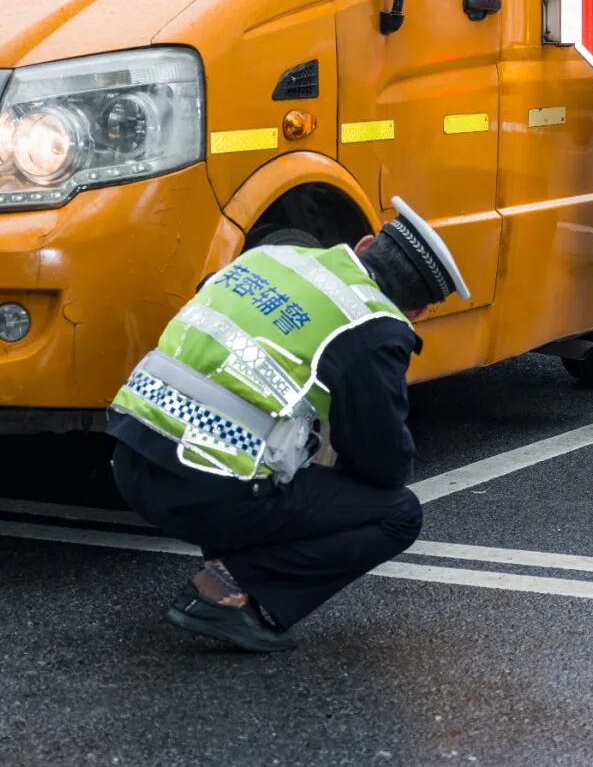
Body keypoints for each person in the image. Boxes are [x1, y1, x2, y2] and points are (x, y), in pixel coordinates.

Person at [107, 198, 468, 652]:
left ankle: (231, 559)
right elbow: (382, 460)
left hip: (129, 461)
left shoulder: (271, 256)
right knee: (397, 514)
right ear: (419, 312)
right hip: (200, 492)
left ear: (363, 245)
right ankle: (225, 594)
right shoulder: (375, 326)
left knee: (273, 454)